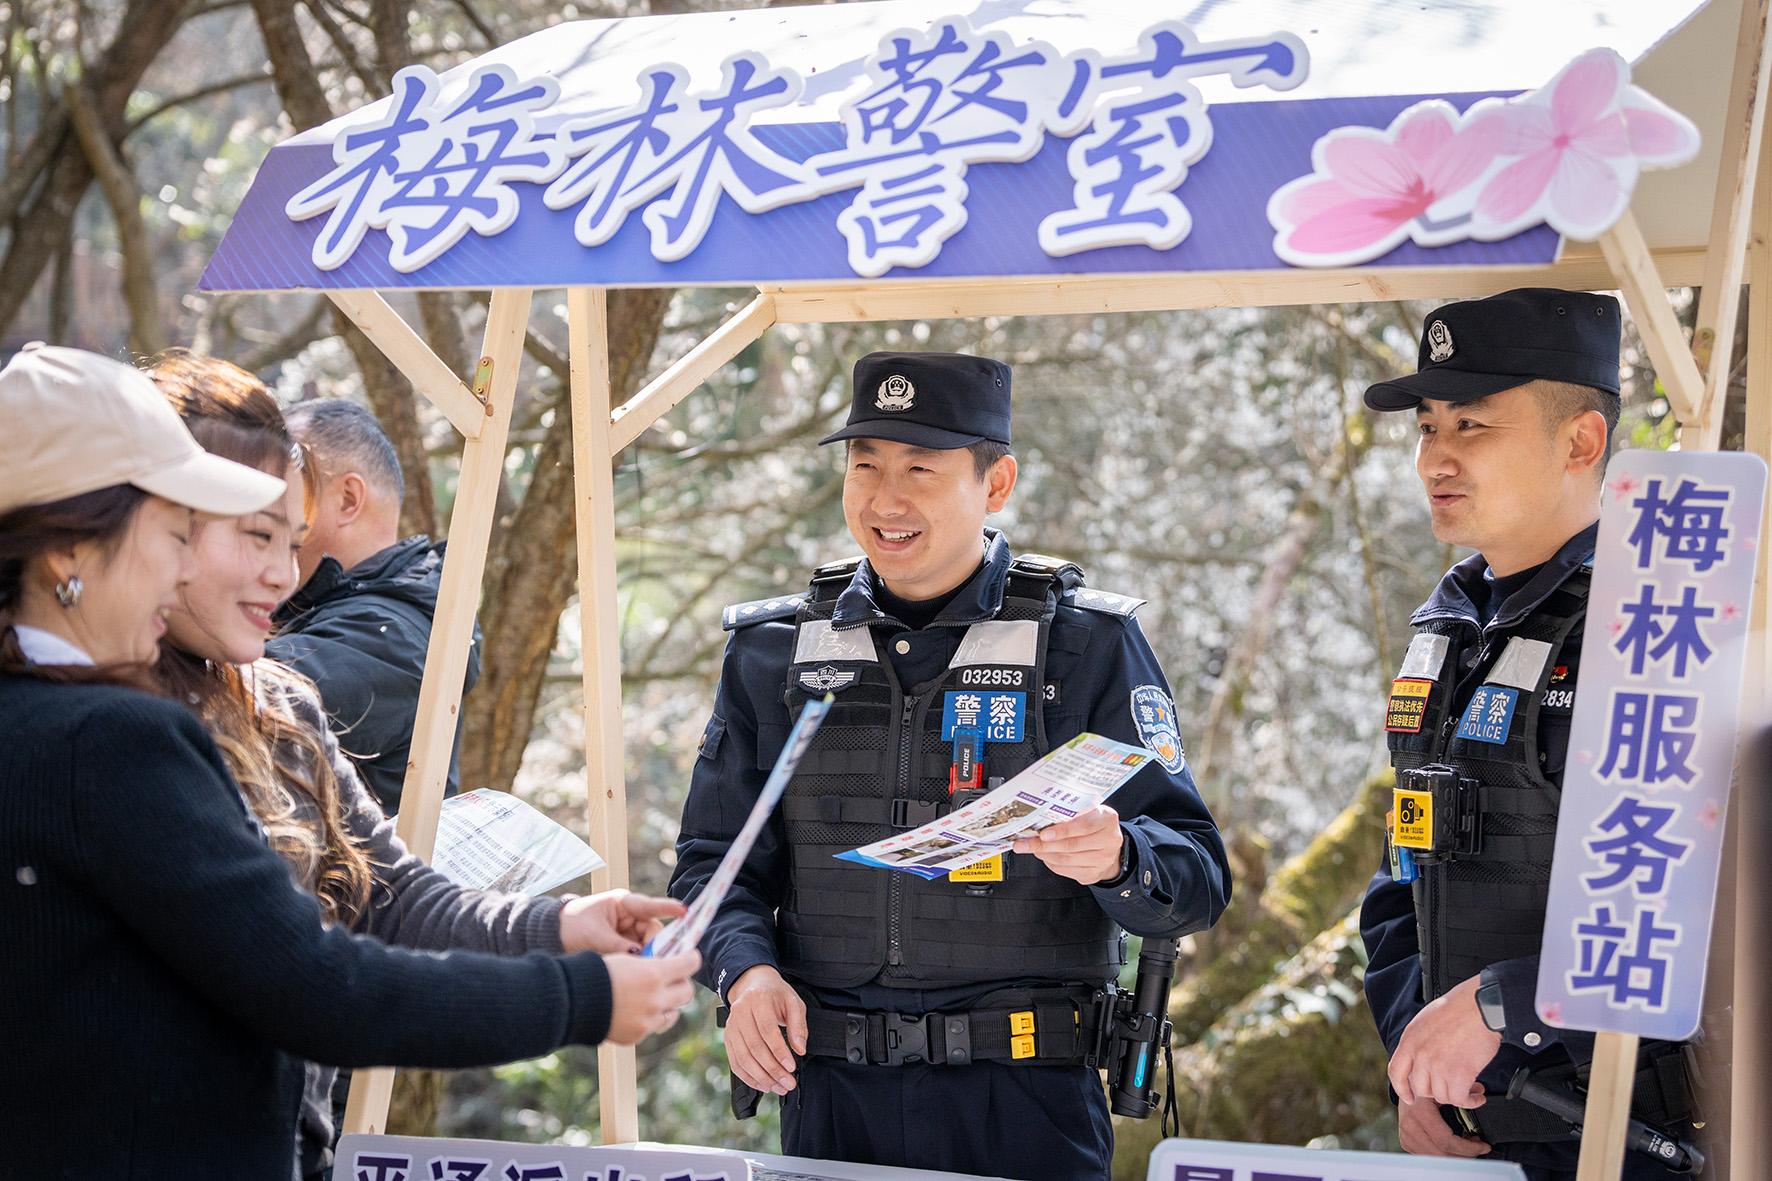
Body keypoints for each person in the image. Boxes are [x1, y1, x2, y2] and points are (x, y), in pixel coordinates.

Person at [0, 344, 699, 1179]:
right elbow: (312, 985)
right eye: (193, 531)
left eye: (294, 542)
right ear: (74, 546)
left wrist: (553, 928)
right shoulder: (112, 736)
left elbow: (385, 892)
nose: (281, 572)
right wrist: (579, 997)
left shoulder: (270, 701)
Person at [669, 351, 1231, 1180]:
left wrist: (1119, 857)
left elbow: (1199, 877)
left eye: (919, 469)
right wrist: (744, 970)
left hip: (1026, 1107)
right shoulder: (773, 651)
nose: (884, 500)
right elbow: (712, 865)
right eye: (865, 466)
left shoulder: (1086, 646)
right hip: (832, 1099)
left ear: (996, 482)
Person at [1357, 290, 1698, 1179]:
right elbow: (1403, 874)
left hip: (1630, 1135)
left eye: (1470, 424)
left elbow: (1701, 904)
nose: (1435, 458)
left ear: (1580, 441)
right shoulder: (1446, 629)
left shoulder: (1659, 626)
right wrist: (1415, 1062)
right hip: (1477, 1132)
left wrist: (1506, 1003)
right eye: (1427, 428)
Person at [269, 397, 465, 811]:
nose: (260, 508)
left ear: (347, 499)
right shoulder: (363, 611)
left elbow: (235, 699)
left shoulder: (393, 635)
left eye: (278, 488)